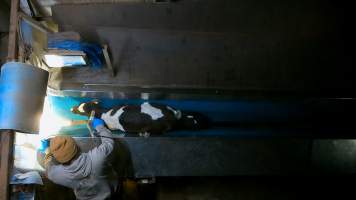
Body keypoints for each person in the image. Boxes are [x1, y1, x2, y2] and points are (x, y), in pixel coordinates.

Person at [39, 118, 117, 200]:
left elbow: (48, 166)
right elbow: (108, 142)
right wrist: (100, 126)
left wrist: (47, 150)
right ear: (75, 145)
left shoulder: (55, 174)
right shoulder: (97, 157)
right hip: (110, 193)